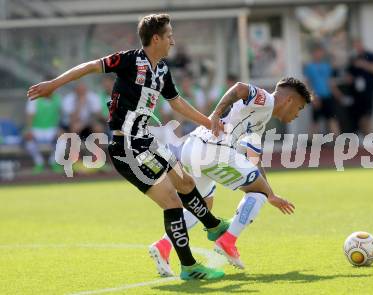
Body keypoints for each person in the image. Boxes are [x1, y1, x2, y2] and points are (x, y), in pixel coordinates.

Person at [27, 14, 229, 280]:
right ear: (155, 38)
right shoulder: (130, 60)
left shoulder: (163, 70)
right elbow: (90, 66)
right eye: (169, 35)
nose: (173, 40)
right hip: (127, 146)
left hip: (145, 140)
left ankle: (212, 227)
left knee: (186, 183)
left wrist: (209, 121)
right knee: (172, 202)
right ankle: (190, 265)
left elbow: (176, 103)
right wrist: (53, 85)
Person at [150, 77, 312, 274]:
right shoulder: (266, 101)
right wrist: (216, 114)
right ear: (289, 101)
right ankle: (228, 240)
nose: (297, 114)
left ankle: (164, 246)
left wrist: (270, 192)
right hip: (213, 150)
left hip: (192, 147)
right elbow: (240, 88)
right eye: (300, 108)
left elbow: (254, 159)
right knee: (257, 194)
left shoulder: (260, 119)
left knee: (203, 205)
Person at [304, 45, 340, 136]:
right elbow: (307, 84)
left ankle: (337, 140)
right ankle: (310, 143)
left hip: (327, 96)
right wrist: (312, 97)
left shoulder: (327, 66)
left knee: (332, 118)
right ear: (312, 54)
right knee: (315, 121)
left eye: (320, 52)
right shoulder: (309, 67)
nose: (318, 54)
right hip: (317, 97)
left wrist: (337, 93)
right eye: (316, 52)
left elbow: (330, 81)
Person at [24, 93, 63, 174]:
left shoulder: (58, 98)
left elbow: (60, 115)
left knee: (63, 140)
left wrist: (59, 129)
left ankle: (53, 161)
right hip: (36, 129)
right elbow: (30, 116)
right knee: (28, 141)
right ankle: (39, 162)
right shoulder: (34, 99)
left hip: (52, 129)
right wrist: (29, 130)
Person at [347, 39, 373, 136]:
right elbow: (350, 74)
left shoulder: (371, 55)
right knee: (359, 114)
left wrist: (363, 64)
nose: (357, 47)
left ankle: (369, 134)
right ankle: (363, 134)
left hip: (369, 90)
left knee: (367, 114)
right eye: (355, 45)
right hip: (357, 92)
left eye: (359, 44)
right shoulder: (353, 58)